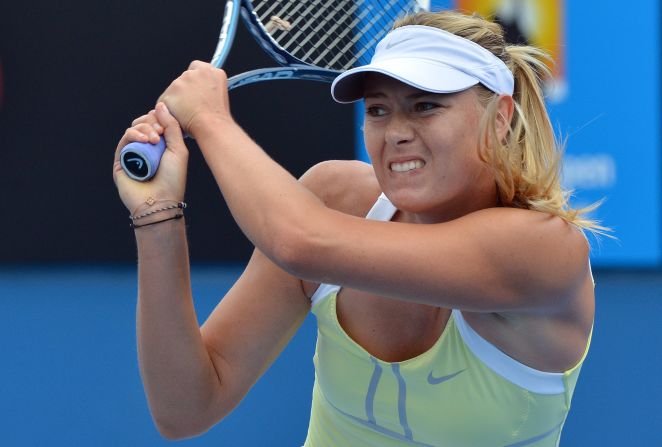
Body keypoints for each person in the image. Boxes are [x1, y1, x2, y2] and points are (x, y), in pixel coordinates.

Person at [113, 10, 602, 446]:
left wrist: (210, 120)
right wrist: (157, 217)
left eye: (425, 105)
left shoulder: (544, 251)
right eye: (378, 109)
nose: (396, 132)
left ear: (500, 117)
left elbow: (297, 241)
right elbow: (185, 409)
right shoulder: (336, 199)